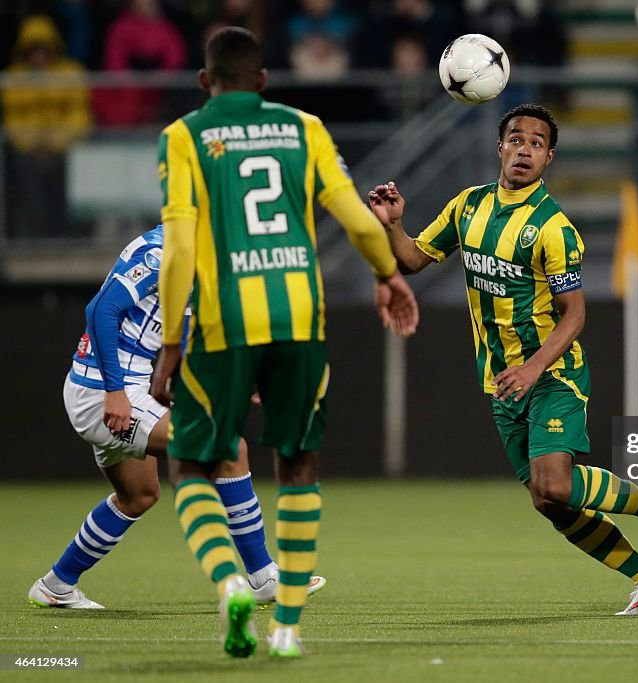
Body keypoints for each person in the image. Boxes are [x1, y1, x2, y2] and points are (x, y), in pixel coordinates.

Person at [367, 103, 638, 617]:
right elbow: (412, 260)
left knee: (556, 483)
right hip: (503, 381)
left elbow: (575, 314)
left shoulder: (553, 228)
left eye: (537, 143)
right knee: (549, 503)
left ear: (549, 159)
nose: (525, 149)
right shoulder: (467, 207)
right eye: (516, 139)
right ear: (500, 147)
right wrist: (393, 225)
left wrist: (535, 367)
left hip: (552, 373)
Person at [149, 27, 419, 659]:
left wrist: (168, 341)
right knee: (298, 468)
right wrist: (387, 276)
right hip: (301, 321)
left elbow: (181, 246)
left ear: (203, 82)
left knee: (190, 463)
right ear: (265, 81)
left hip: (225, 325)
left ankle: (230, 583)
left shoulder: (184, 137)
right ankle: (288, 627)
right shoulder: (305, 127)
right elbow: (354, 215)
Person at [28, 225, 326, 610]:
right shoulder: (165, 249)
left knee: (138, 496)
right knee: (230, 448)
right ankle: (264, 577)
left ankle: (56, 584)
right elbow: (101, 308)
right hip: (104, 390)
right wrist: (116, 392)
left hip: (117, 388)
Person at [1, 14, 92, 238]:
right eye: (33, 49)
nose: (38, 55)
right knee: (24, 178)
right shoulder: (13, 77)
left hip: (64, 150)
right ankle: (33, 235)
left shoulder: (71, 72)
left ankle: (69, 234)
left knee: (71, 177)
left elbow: (79, 115)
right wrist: (35, 146)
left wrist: (54, 144)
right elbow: (13, 120)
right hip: (28, 153)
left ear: (53, 47)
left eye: (43, 48)